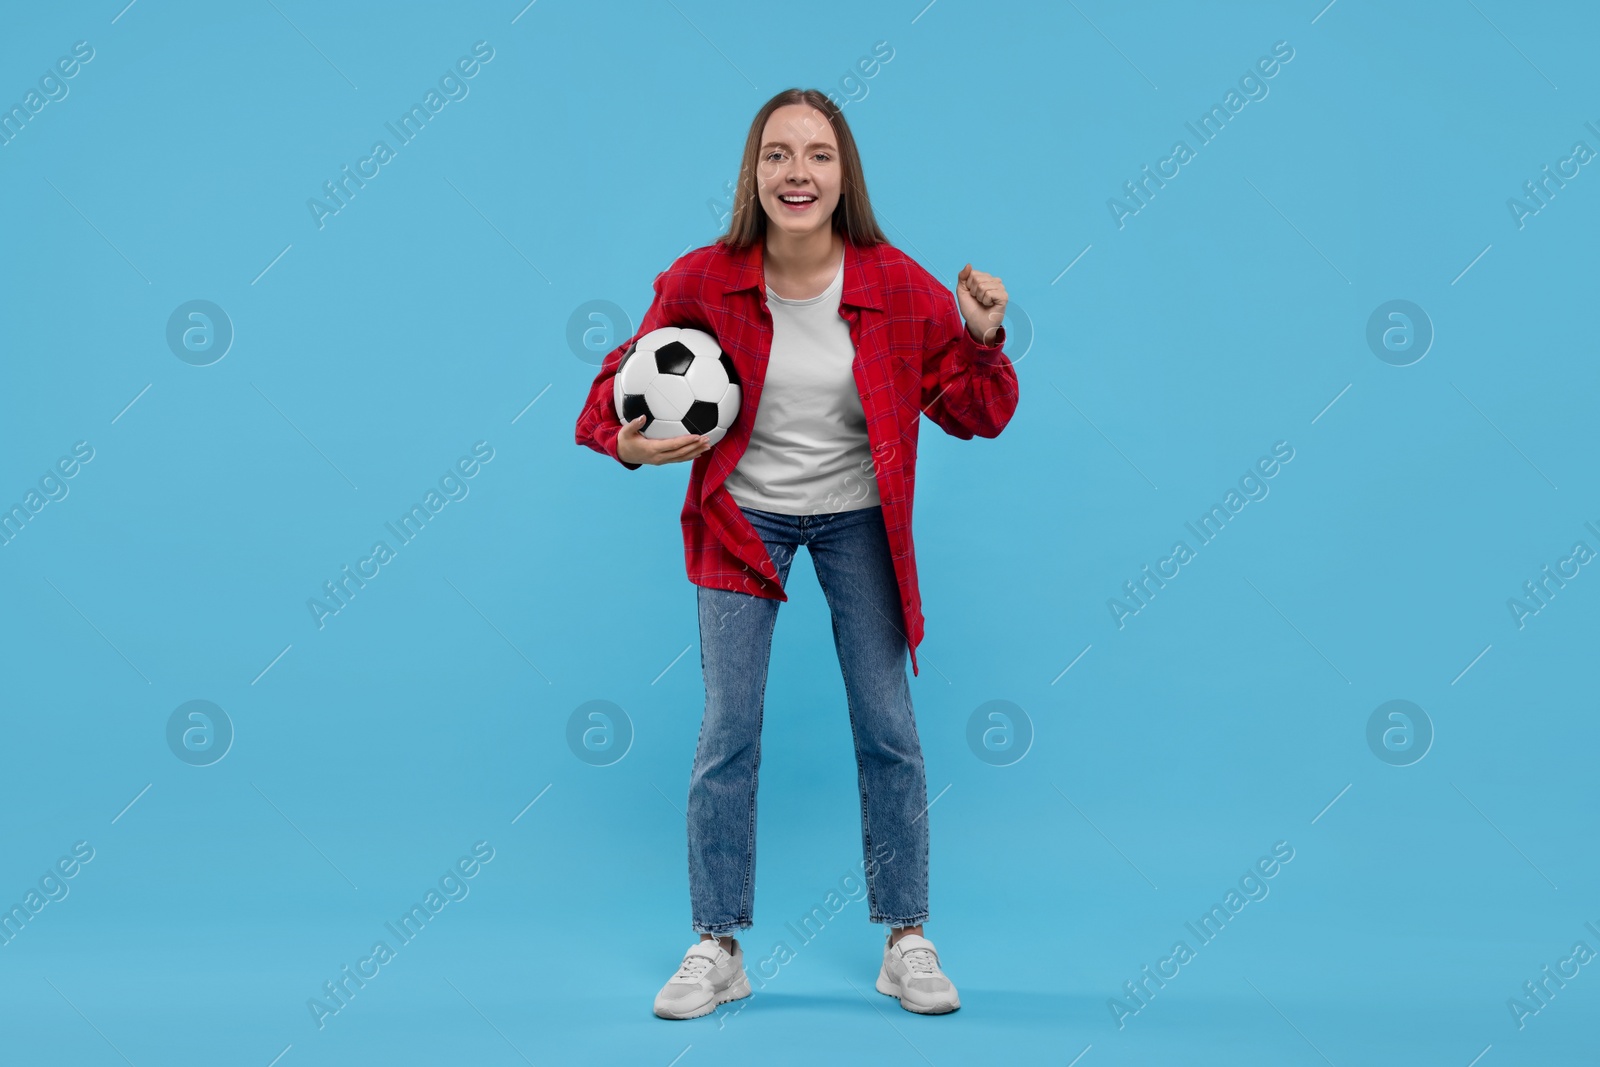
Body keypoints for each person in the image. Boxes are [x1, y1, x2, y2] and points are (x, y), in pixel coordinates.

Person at [573, 87, 1019, 1019]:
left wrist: (980, 336)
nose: (797, 173)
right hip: (745, 517)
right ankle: (716, 943)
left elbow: (977, 412)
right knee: (727, 727)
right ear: (754, 173)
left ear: (844, 172)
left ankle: (907, 937)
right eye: (777, 155)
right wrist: (629, 441)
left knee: (887, 723)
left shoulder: (898, 283)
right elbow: (613, 387)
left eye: (817, 155)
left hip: (859, 514)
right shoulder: (702, 279)